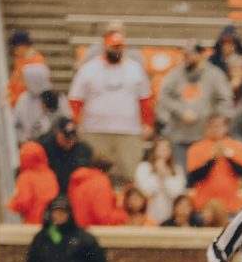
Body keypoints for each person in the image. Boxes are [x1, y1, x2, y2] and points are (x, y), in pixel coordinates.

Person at [67, 30, 153, 182]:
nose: (117, 50)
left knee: (131, 175)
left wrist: (148, 123)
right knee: (95, 174)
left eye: (120, 46)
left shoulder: (135, 68)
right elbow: (75, 100)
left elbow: (145, 100)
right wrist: (76, 122)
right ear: (105, 46)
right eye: (114, 46)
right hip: (95, 130)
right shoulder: (89, 69)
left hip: (128, 131)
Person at [156, 42, 235, 171]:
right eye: (185, 54)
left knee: (201, 173)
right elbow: (163, 97)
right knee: (181, 171)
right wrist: (180, 111)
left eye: (189, 54)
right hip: (179, 134)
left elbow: (225, 100)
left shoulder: (215, 74)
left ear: (200, 55)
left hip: (205, 136)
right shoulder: (175, 74)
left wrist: (215, 120)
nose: (186, 58)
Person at [187, 115, 242, 213]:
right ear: (206, 127)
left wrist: (228, 157)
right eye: (213, 126)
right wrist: (213, 160)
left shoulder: (237, 146)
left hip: (231, 206)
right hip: (204, 206)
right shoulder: (196, 148)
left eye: (219, 126)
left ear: (226, 128)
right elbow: (194, 177)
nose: (216, 129)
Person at [13, 62, 70, 143]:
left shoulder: (58, 98)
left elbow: (66, 121)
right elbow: (15, 124)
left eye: (26, 79)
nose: (23, 83)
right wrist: (21, 137)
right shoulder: (23, 99)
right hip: (31, 144)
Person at [133, 138, 186, 224]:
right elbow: (146, 191)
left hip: (170, 218)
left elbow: (176, 193)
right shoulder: (143, 167)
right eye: (160, 147)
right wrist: (158, 175)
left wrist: (165, 176)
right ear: (154, 150)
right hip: (147, 217)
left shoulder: (177, 170)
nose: (163, 150)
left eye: (166, 147)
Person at [9, 141, 61, 225]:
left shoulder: (25, 177)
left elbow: (23, 201)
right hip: (52, 222)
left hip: (33, 222)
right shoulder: (50, 174)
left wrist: (12, 205)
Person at [39, 117, 94, 195]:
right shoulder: (46, 148)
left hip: (73, 193)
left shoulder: (82, 150)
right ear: (57, 133)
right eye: (66, 136)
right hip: (51, 192)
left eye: (73, 136)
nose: (70, 140)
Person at [68, 156, 126, 227]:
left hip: (78, 228)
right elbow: (103, 216)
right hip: (92, 230)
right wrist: (124, 215)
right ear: (108, 170)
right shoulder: (101, 183)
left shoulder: (81, 180)